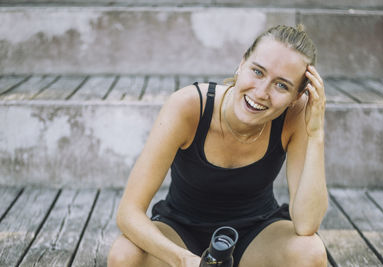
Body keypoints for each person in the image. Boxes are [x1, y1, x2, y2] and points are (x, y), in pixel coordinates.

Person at [108, 24, 328, 267]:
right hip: (180, 233)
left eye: (281, 85)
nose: (262, 92)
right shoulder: (188, 106)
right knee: (124, 254)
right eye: (257, 72)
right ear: (242, 63)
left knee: (311, 252)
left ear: (297, 96)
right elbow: (128, 213)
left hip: (257, 236)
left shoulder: (294, 116)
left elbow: (307, 224)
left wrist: (315, 133)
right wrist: (183, 260)